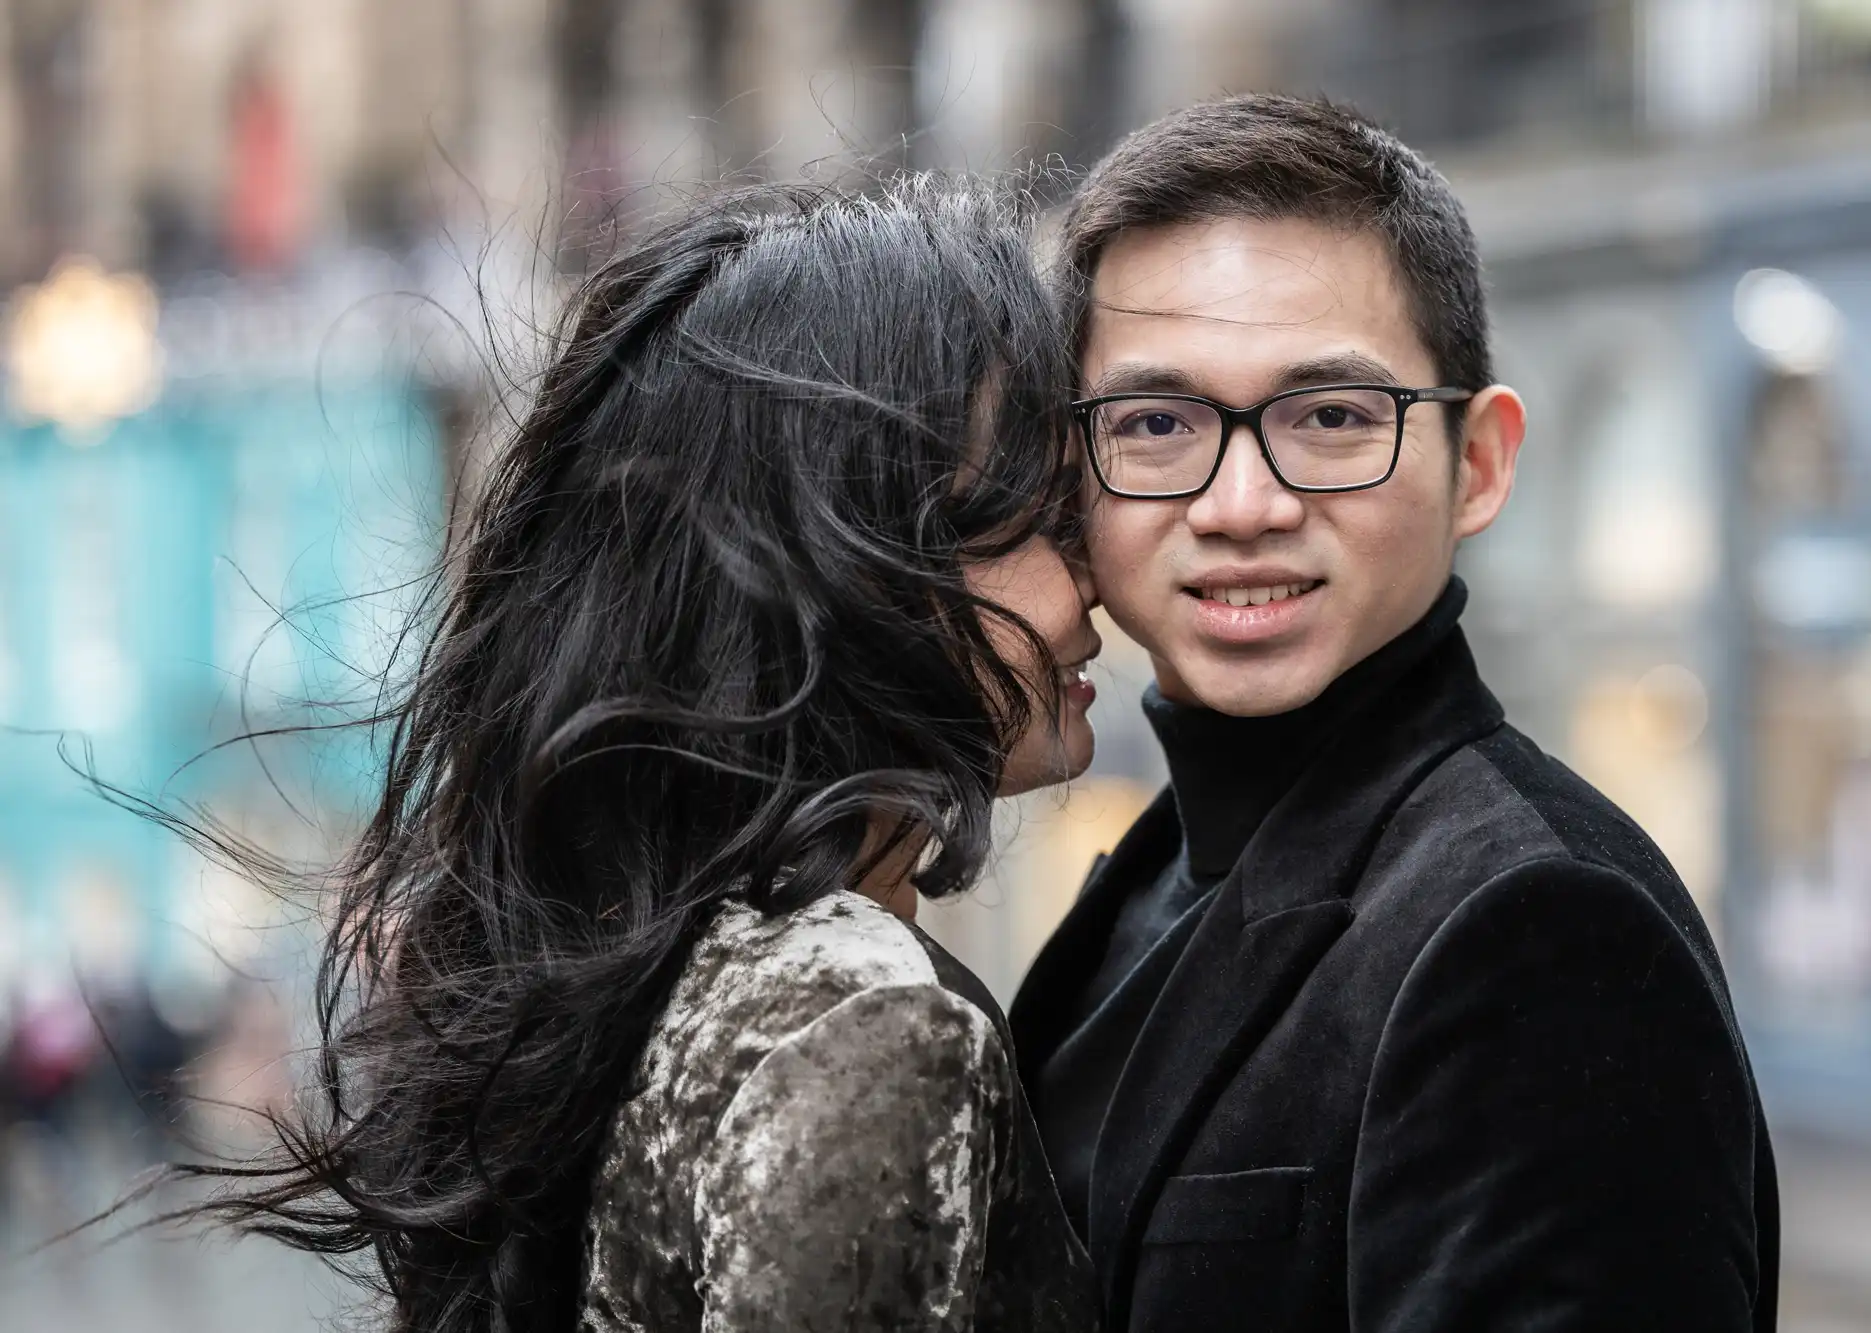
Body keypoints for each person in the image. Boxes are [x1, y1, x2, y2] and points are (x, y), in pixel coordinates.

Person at [156, 180, 1102, 1332]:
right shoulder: (867, 1024)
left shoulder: (663, 960)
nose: (1091, 581)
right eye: (1042, 524)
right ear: (856, 570)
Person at [1011, 95, 1779, 1332]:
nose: (1242, 501)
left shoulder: (1540, 932)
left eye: (1329, 418)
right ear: (1070, 472)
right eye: (1156, 423)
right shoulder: (1155, 872)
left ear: (1476, 463)